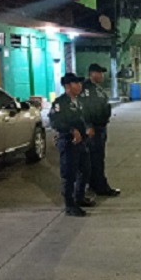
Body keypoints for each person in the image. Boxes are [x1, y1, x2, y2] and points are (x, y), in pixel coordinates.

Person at [49, 73, 95, 217]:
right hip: (68, 142)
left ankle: (79, 197)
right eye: (76, 83)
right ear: (68, 86)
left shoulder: (79, 101)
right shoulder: (60, 103)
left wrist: (89, 127)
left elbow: (85, 118)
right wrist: (71, 130)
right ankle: (70, 205)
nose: (80, 86)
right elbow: (55, 122)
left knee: (85, 170)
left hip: (82, 143)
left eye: (80, 83)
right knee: (69, 174)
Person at [80, 64, 121, 197]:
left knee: (97, 158)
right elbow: (84, 109)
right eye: (100, 73)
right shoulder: (86, 88)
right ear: (92, 73)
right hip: (94, 129)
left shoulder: (96, 88)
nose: (102, 76)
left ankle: (94, 184)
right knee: (95, 159)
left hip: (100, 127)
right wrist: (88, 126)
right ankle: (100, 187)